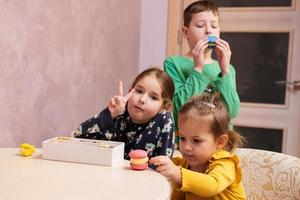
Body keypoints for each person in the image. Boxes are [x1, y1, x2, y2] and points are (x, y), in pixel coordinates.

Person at [149, 93, 246, 200]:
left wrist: (177, 173)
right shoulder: (184, 165)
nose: (186, 147)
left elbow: (212, 186)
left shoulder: (225, 163)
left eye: (196, 140)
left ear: (220, 141)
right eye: (182, 138)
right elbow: (177, 197)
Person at [164, 0, 240, 129]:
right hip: (189, 139)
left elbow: (232, 111)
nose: (209, 31)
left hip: (221, 140)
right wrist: (198, 68)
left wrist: (225, 70)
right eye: (200, 25)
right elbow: (179, 107)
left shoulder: (227, 69)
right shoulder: (173, 63)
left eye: (214, 26)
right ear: (185, 32)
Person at [72, 67, 175, 160]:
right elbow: (77, 137)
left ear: (164, 106)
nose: (142, 99)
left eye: (153, 97)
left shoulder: (164, 119)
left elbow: (163, 168)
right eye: (139, 91)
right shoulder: (120, 113)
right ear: (130, 91)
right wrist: (110, 115)